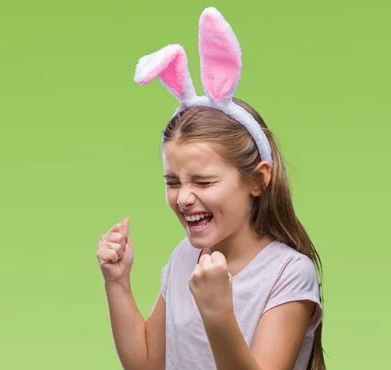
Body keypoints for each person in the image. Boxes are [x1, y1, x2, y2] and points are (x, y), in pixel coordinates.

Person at [95, 6, 325, 370]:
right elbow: (148, 364)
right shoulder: (184, 259)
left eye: (204, 181)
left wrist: (218, 312)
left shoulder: (289, 274)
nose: (184, 197)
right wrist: (118, 282)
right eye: (173, 182)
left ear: (256, 179)